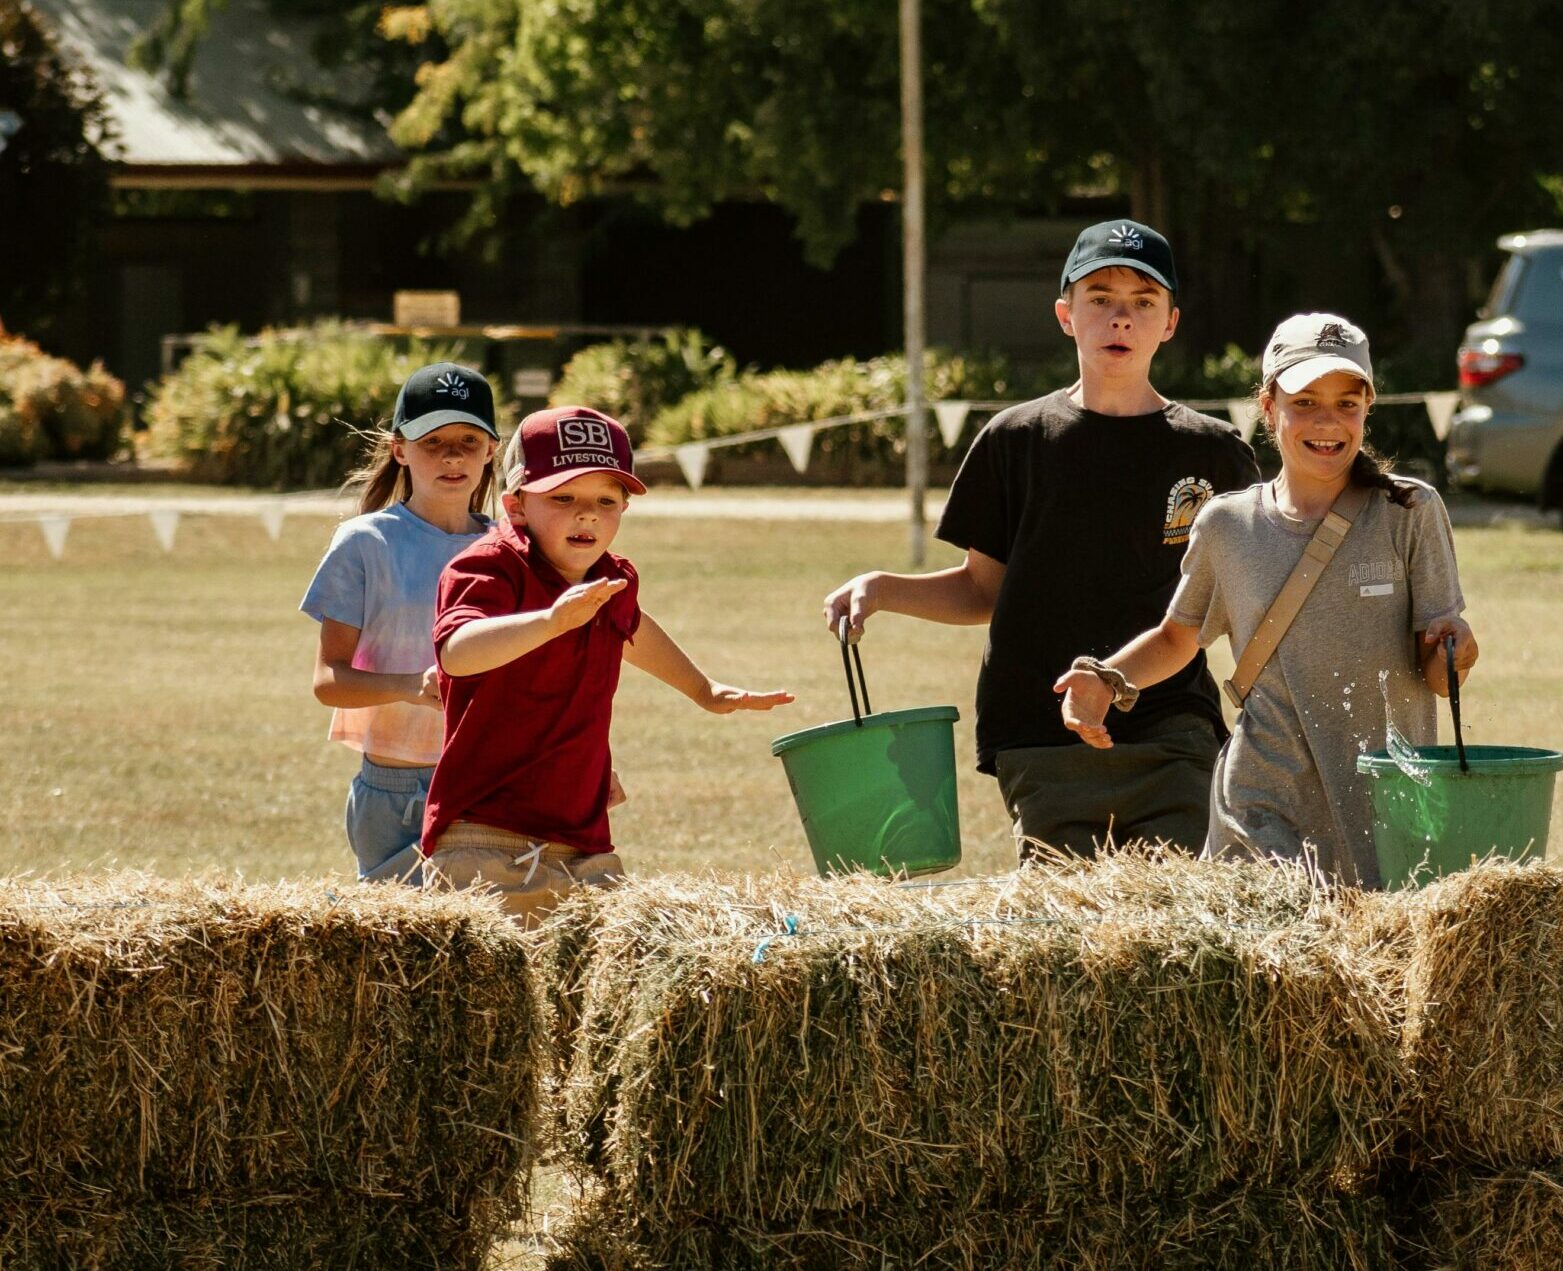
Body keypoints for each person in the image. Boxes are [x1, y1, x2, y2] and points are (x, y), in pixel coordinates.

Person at [823, 219, 1258, 860]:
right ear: (1065, 314)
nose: (1121, 319)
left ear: (1170, 322)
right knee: (1068, 937)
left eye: (1143, 303)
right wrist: (883, 588)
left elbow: (1234, 603)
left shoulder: (1215, 453)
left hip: (1173, 734)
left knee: (1179, 927)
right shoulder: (1015, 440)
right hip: (1039, 735)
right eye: (1100, 299)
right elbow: (983, 590)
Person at [1055, 313, 1479, 887]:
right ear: (1268, 406)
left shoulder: (1409, 512)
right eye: (1304, 402)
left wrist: (1457, 653)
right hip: (1261, 803)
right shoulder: (1226, 525)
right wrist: (1106, 678)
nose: (1328, 423)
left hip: (1384, 802)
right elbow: (1178, 637)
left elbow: (1435, 672)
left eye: (1347, 404)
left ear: (1367, 410)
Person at [419, 405, 792, 924]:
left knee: (587, 997)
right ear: (516, 505)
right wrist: (551, 621)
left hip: (583, 839)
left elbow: (632, 629)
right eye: (563, 497)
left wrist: (704, 691)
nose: (587, 514)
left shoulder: (611, 577)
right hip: (486, 836)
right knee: (490, 1001)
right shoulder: (487, 566)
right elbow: (458, 652)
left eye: (606, 500)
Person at [301, 362, 501, 881]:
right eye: (431, 441)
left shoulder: (512, 550)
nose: (452, 455)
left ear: (492, 450)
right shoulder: (365, 543)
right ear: (399, 449)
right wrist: (411, 686)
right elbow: (328, 682)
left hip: (496, 781)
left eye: (467, 439)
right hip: (398, 791)